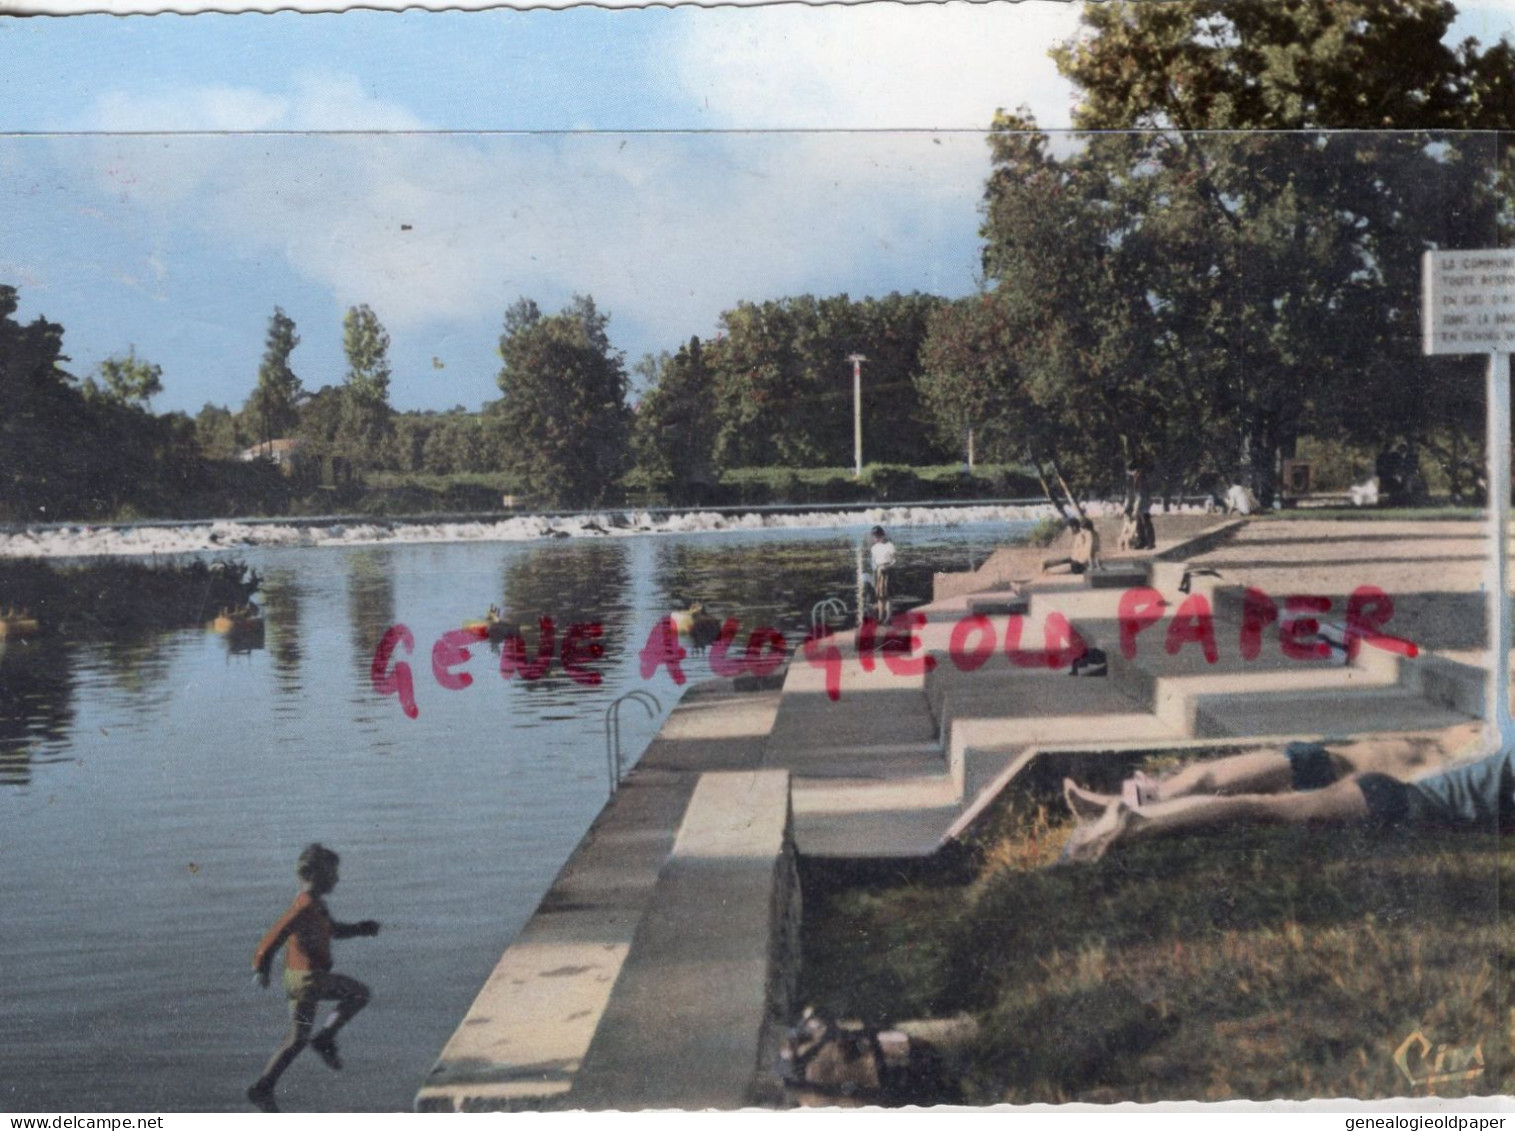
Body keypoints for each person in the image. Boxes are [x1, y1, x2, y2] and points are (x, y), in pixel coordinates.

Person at [1057, 725, 1499, 864]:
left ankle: (1140, 818)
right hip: (1386, 781)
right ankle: (1140, 807)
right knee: (1251, 796)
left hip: (1396, 789)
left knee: (1258, 803)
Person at [247, 844, 380, 1112]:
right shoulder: (306, 905)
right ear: (313, 875)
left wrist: (359, 929)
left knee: (297, 1038)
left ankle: (263, 1087)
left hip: (298, 983)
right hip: (309, 980)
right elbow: (277, 934)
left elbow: (333, 931)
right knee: (359, 993)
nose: (337, 879)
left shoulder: (315, 905)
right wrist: (261, 965)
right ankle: (326, 1037)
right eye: (332, 873)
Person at [869, 526, 896, 619]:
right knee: (879, 595)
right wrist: (875, 570)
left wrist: (887, 567)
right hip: (878, 571)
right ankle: (881, 616)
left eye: (878, 536)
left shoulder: (889, 546)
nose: (876, 538)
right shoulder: (874, 548)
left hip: (887, 571)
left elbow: (894, 561)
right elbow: (873, 561)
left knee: (887, 595)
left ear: (882, 535)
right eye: (875, 536)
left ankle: (888, 617)